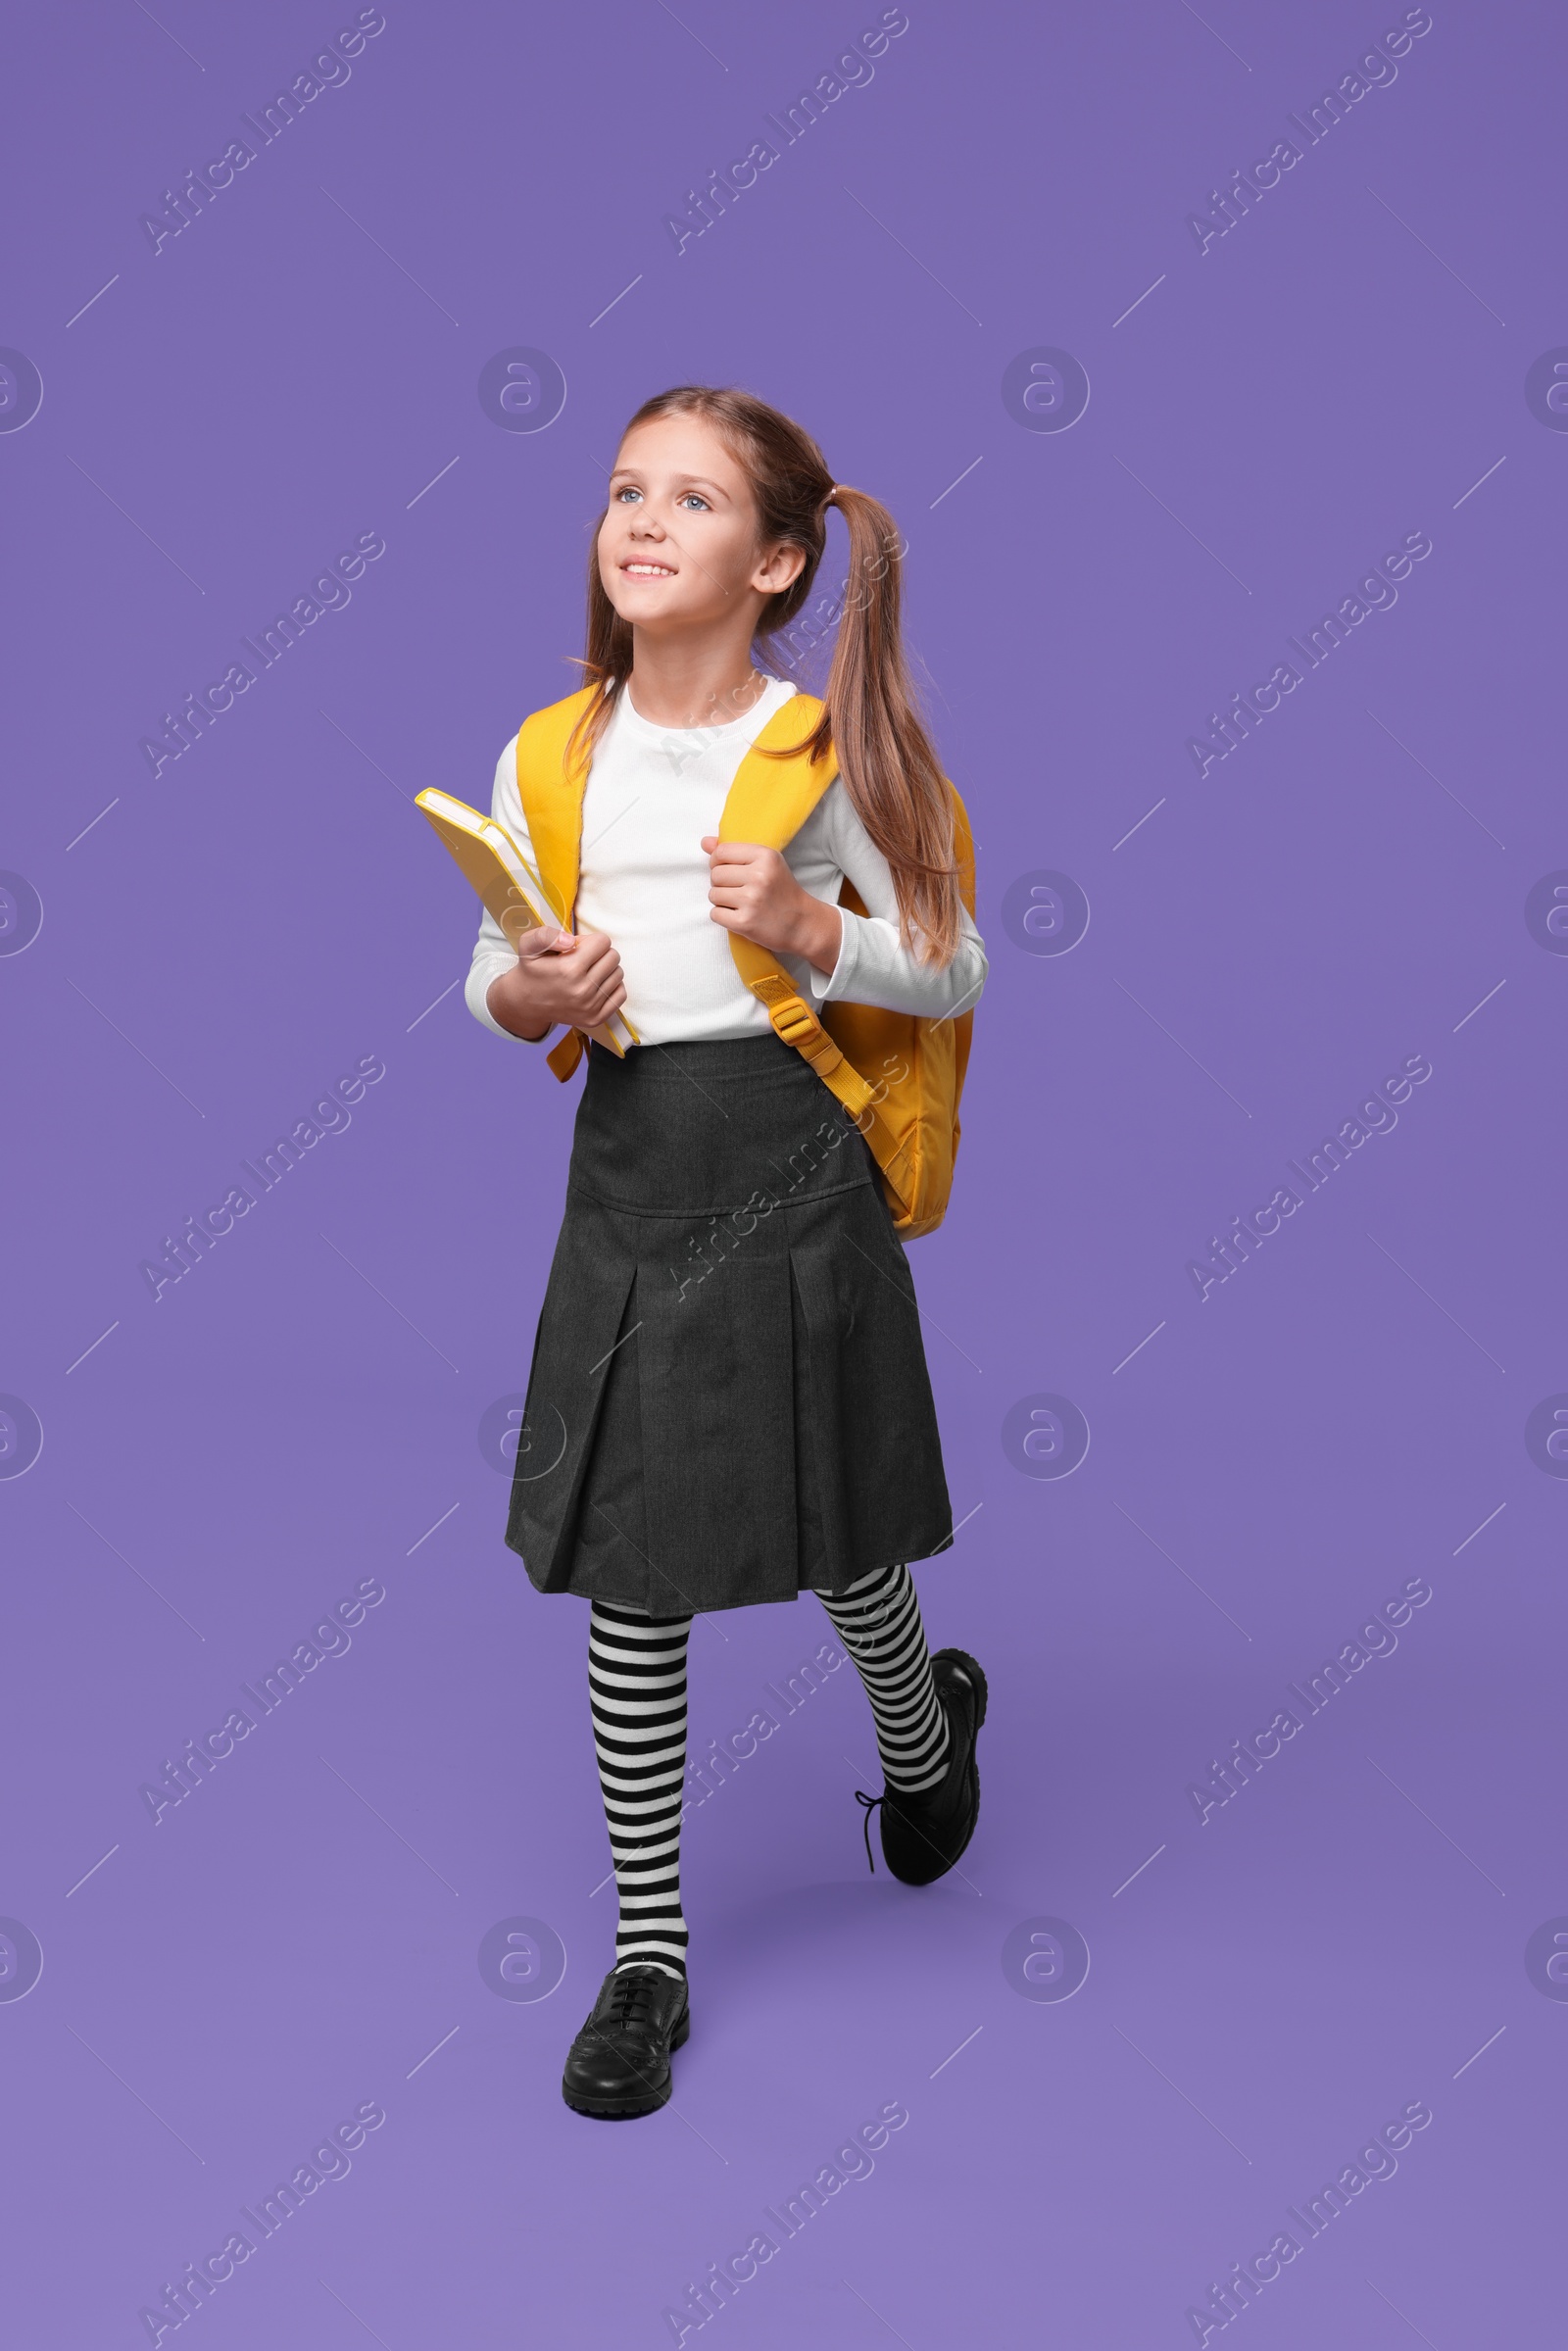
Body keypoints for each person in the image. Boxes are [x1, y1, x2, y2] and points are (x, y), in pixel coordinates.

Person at [464, 384, 988, 2120]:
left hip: (790, 1180)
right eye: (626, 489)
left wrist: (811, 926)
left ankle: (925, 1737)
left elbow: (956, 964)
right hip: (625, 1188)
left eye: (689, 501)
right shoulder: (552, 750)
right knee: (636, 1565)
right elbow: (494, 975)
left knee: (837, 1529)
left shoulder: (818, 752)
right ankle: (650, 1957)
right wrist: (527, 991)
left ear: (774, 563)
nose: (640, 519)